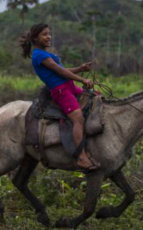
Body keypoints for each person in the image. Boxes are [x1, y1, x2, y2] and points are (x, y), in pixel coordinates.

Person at [20, 22, 99, 171]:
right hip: (60, 90)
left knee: (96, 98)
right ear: (35, 39)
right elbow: (60, 71)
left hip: (69, 86)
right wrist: (82, 79)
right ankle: (81, 156)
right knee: (78, 119)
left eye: (49, 33)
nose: (48, 36)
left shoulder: (47, 54)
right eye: (44, 34)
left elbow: (63, 70)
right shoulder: (39, 54)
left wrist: (80, 69)